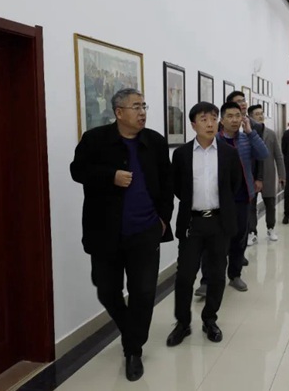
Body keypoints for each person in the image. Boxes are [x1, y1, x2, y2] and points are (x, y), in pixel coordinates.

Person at [70, 88, 174, 382]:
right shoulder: (95, 139)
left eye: (144, 106)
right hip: (106, 233)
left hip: (145, 231)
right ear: (118, 112)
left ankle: (133, 350)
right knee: (106, 290)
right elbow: (77, 171)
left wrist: (163, 220)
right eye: (136, 107)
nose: (142, 113)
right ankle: (132, 332)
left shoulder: (154, 141)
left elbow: (167, 183)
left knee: (144, 292)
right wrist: (110, 176)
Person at [167, 102, 242, 347]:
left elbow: (234, 185)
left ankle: (210, 319)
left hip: (219, 223)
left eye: (213, 118)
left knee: (217, 275)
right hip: (193, 223)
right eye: (203, 119)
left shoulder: (228, 153)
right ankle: (182, 323)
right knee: (185, 276)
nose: (210, 124)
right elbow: (177, 188)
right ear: (193, 125)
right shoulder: (181, 154)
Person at [197, 102, 269, 294]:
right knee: (211, 241)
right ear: (222, 120)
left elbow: (263, 154)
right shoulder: (213, 140)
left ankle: (235, 275)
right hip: (216, 199)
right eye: (230, 116)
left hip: (242, 197)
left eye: (238, 116)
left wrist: (251, 132)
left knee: (238, 239)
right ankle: (207, 281)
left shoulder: (246, 139)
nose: (235, 120)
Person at [226, 91, 264, 256]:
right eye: (238, 101)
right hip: (227, 185)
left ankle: (239, 257)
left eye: (244, 100)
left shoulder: (255, 126)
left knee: (245, 219)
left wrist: (259, 177)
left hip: (247, 181)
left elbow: (261, 155)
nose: (242, 104)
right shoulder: (221, 128)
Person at [247, 104, 286, 243]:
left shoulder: (271, 134)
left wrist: (282, 175)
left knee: (270, 204)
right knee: (251, 206)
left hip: (268, 174)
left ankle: (271, 228)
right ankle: (252, 232)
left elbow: (278, 156)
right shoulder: (246, 134)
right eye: (257, 114)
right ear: (250, 117)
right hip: (252, 175)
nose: (260, 116)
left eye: (261, 113)